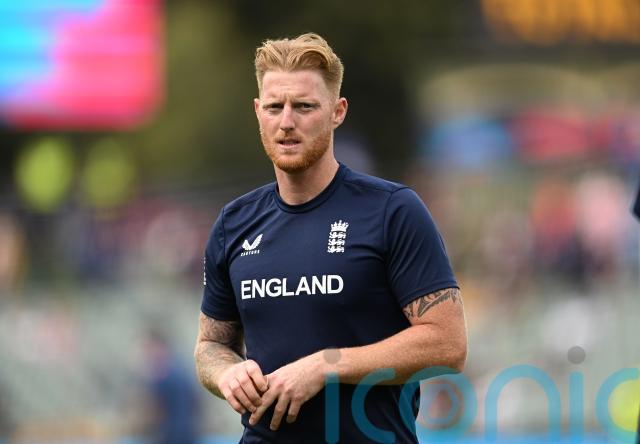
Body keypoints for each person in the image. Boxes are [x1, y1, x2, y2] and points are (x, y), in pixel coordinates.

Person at [194, 32, 467, 443]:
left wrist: (326, 366)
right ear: (258, 112)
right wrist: (227, 373)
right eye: (275, 107)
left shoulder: (392, 211)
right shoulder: (234, 223)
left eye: (304, 106)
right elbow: (210, 346)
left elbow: (448, 345)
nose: (287, 122)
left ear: (338, 112)